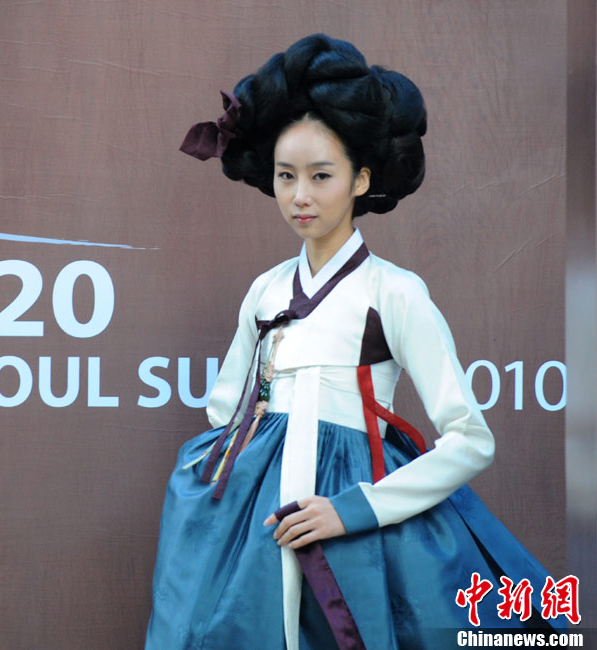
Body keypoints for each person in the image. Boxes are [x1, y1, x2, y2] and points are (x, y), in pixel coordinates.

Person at [145, 34, 560, 650]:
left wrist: (354, 509)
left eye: (321, 176)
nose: (301, 196)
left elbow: (471, 439)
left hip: (356, 513)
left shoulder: (395, 292)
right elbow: (225, 407)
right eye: (286, 176)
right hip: (255, 519)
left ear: (361, 178)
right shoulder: (265, 290)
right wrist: (239, 480)